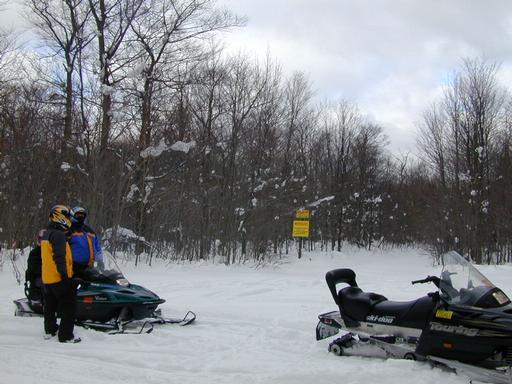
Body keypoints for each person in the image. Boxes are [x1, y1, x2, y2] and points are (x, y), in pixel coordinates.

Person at [41, 205, 80, 343]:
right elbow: (59, 257)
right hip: (58, 277)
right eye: (67, 216)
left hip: (48, 278)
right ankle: (66, 336)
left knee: (50, 306)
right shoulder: (58, 235)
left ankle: (50, 329)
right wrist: (64, 275)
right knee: (70, 306)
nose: (69, 219)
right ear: (60, 217)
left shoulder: (47, 233)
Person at [69, 206, 104, 277]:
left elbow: (97, 247)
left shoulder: (90, 231)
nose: (80, 217)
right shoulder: (69, 231)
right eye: (78, 215)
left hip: (89, 266)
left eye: (82, 215)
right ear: (73, 216)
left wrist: (100, 260)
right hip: (74, 267)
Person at [25, 230, 45, 303]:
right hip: (38, 279)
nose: (43, 242)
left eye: (45, 240)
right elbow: (35, 269)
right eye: (41, 239)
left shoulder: (51, 252)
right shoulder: (35, 253)